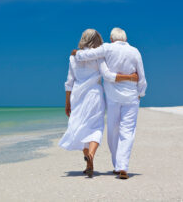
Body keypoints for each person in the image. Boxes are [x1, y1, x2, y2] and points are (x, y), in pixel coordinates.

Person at [58, 29, 139, 178]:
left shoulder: (73, 58)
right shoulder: (99, 57)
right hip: (94, 95)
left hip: (77, 95)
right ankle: (91, 155)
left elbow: (69, 83)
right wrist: (130, 77)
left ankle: (88, 160)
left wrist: (67, 103)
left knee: (81, 127)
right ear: (97, 40)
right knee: (96, 127)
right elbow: (107, 75)